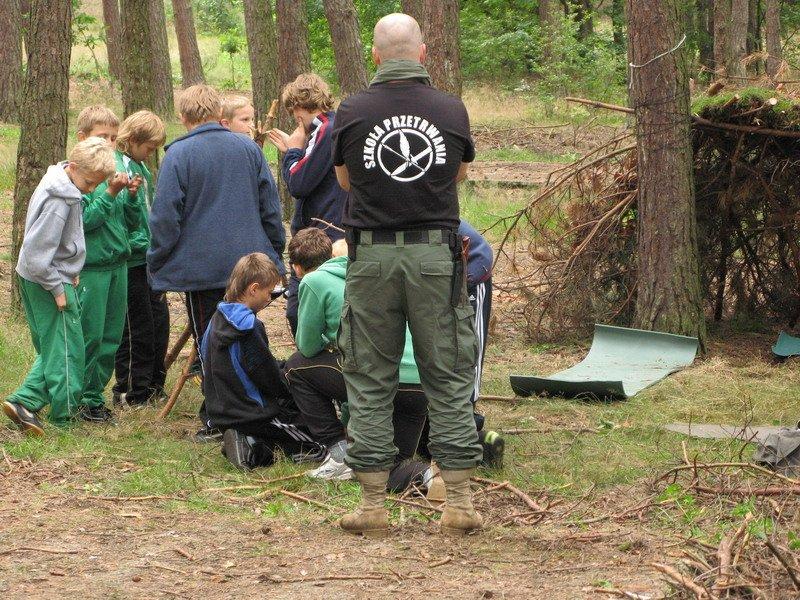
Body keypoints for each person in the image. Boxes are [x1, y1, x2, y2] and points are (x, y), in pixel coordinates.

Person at [331, 13, 483, 537]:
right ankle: (458, 502)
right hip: (435, 259)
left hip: (371, 258)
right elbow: (459, 171)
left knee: (370, 378)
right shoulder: (449, 107)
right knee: (449, 374)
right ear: (422, 53)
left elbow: (346, 180)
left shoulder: (351, 110)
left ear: (375, 55)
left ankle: (373, 506)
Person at [147, 84, 285, 442]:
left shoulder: (178, 154)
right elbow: (270, 206)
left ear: (183, 117)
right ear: (216, 112)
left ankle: (218, 417)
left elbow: (165, 217)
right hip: (249, 268)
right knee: (245, 335)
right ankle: (250, 405)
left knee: (211, 340)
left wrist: (157, 262)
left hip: (202, 270)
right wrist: (274, 252)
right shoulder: (247, 148)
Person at [283, 229, 430, 491]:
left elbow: (307, 346)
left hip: (379, 380)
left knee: (296, 366)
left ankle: (339, 452)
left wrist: (330, 341)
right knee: (391, 468)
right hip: (419, 384)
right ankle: (431, 476)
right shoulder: (383, 276)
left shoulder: (315, 281)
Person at [2, 138, 116, 435]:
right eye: (90, 182)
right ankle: (60, 417)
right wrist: (57, 286)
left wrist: (71, 267)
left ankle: (25, 402)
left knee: (57, 346)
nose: (91, 189)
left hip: (48, 275)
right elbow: (35, 255)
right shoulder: (59, 200)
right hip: (46, 281)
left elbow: (60, 244)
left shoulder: (63, 182)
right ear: (74, 167)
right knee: (68, 350)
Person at [201, 253, 323, 470]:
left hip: (221, 410)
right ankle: (250, 446)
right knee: (320, 436)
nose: (270, 298)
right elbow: (267, 377)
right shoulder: (249, 328)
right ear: (254, 288)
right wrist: (292, 385)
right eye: (269, 292)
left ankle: (246, 439)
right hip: (253, 412)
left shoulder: (216, 319)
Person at [416, 220, 505, 468]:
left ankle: (470, 420)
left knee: (467, 349)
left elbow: (482, 253)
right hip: (438, 281)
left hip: (472, 276)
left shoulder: (441, 222)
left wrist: (460, 286)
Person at [267, 73, 347, 336]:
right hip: (330, 228)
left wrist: (292, 151)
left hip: (324, 234)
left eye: (293, 113)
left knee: (300, 308)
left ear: (298, 109)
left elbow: (299, 183)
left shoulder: (324, 129)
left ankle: (312, 364)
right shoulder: (330, 127)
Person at [74, 105, 133, 423]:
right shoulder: (82, 179)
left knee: (112, 336)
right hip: (92, 268)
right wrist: (109, 192)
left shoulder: (116, 173)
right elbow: (85, 223)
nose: (109, 143)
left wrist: (131, 196)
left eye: (113, 137)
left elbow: (129, 222)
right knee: (91, 335)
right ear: (82, 138)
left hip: (118, 264)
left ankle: (95, 395)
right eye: (101, 137)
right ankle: (81, 396)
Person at [110, 110, 170, 407]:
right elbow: (122, 215)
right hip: (131, 259)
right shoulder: (117, 166)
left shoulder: (140, 167)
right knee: (136, 328)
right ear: (132, 140)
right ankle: (131, 389)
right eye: (148, 148)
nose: (150, 154)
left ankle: (153, 383)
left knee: (158, 321)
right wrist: (137, 243)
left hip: (148, 257)